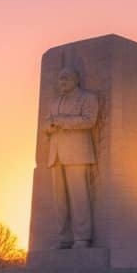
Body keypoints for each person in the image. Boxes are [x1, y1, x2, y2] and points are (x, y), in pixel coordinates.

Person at [45, 67, 99, 248]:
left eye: (65, 79)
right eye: (60, 79)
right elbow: (46, 123)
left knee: (79, 197)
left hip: (77, 153)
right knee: (60, 200)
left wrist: (61, 121)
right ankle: (64, 238)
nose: (62, 82)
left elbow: (89, 120)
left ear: (76, 80)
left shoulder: (87, 97)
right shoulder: (55, 102)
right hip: (56, 155)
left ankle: (82, 237)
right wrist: (50, 126)